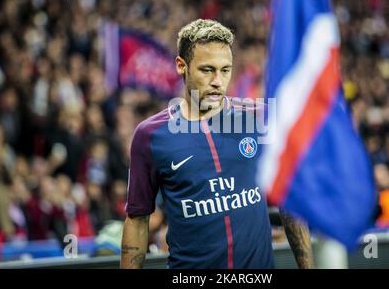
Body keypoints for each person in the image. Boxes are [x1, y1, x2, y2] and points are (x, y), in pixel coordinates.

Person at [121, 19, 313, 269]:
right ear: (182, 66)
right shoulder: (151, 135)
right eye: (207, 69)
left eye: (225, 70)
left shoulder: (261, 118)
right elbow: (137, 220)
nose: (218, 81)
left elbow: (289, 201)